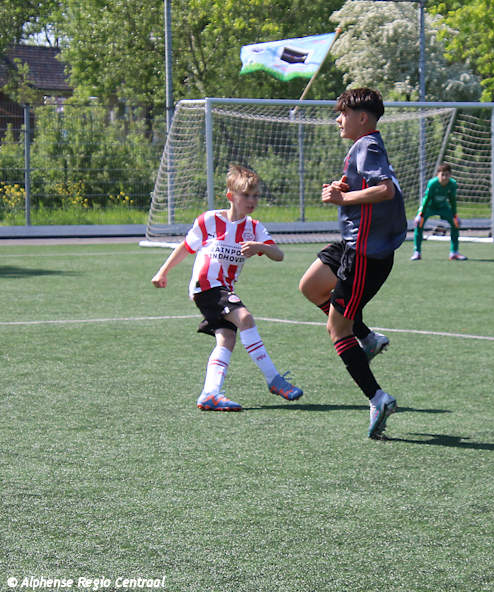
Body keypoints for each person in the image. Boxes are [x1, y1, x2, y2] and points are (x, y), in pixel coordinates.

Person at [298, 87, 404, 439]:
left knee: (336, 330)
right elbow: (373, 191)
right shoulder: (363, 146)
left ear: (362, 118)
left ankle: (378, 398)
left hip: (364, 257)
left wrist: (343, 198)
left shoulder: (368, 145)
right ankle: (367, 338)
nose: (338, 120)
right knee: (311, 287)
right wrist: (346, 192)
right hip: (350, 245)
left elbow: (386, 190)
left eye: (342, 114)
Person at [151, 164, 303, 411]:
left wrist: (260, 247)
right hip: (206, 286)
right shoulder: (210, 220)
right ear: (231, 196)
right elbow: (186, 247)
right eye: (246, 195)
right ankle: (274, 379)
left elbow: (279, 255)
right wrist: (162, 272)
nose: (252, 200)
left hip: (224, 289)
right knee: (245, 318)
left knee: (227, 338)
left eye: (255, 195)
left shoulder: (254, 228)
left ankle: (210, 394)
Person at [411, 163, 467, 261]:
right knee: (419, 224)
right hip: (429, 207)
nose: (444, 178)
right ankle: (417, 252)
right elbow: (427, 199)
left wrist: (455, 215)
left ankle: (454, 252)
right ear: (438, 175)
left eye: (447, 175)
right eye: (442, 175)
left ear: (450, 175)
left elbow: (452, 200)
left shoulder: (452, 184)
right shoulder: (432, 183)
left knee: (455, 224)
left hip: (443, 207)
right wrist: (420, 214)